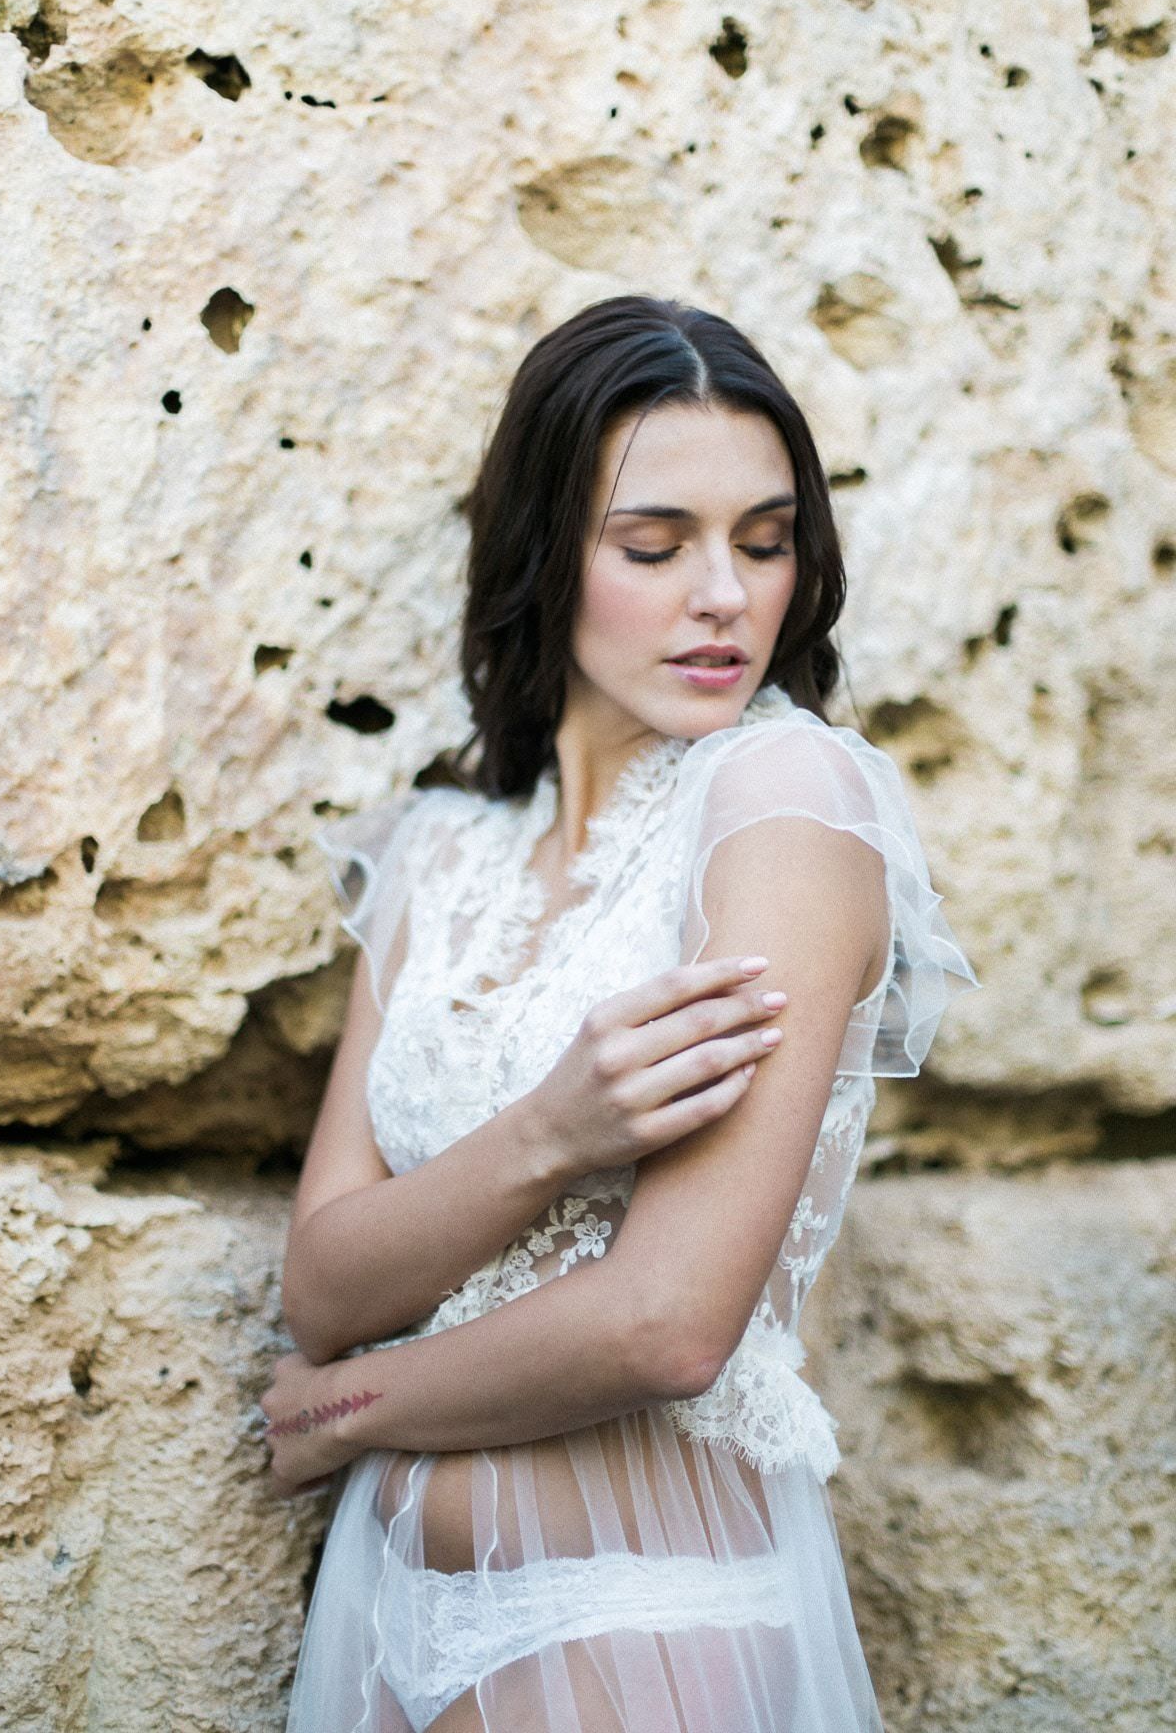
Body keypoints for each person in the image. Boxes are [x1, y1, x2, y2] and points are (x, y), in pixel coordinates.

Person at [260, 293, 979, 1731]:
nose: (724, 595)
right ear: (542, 556)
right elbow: (325, 1285)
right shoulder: (437, 858)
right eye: (655, 547)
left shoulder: (783, 803)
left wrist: (337, 1412)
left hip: (637, 1624)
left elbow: (665, 1326)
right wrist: (551, 1132)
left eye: (765, 544)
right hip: (383, 1614)